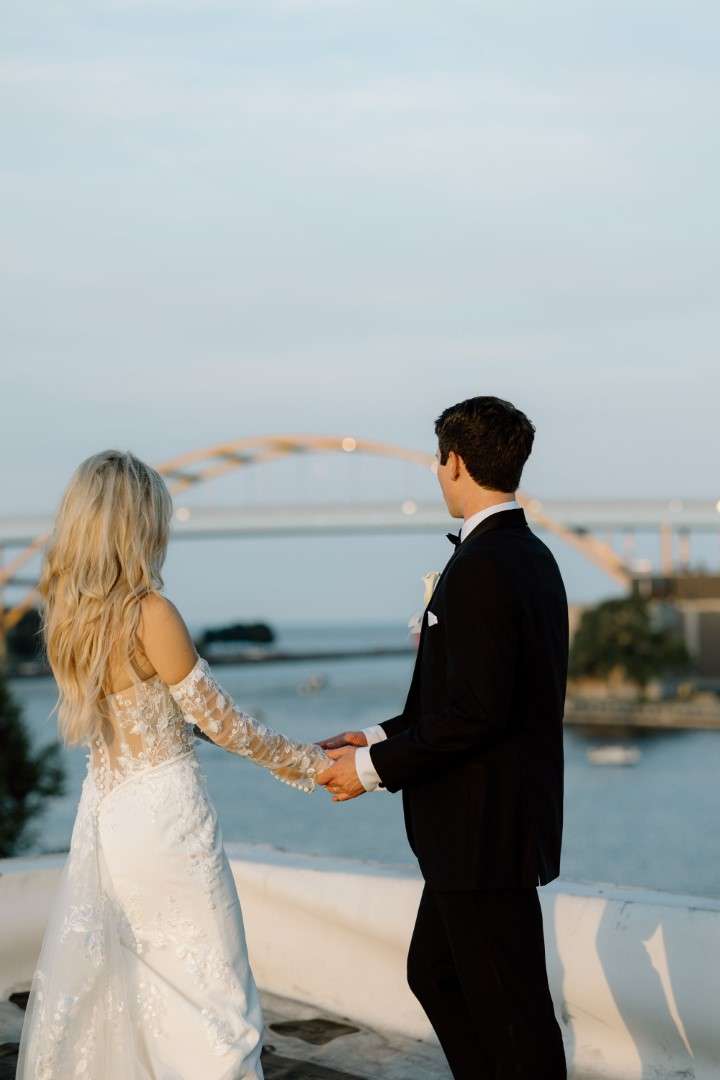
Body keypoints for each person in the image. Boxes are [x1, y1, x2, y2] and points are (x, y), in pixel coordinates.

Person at [17, 450, 332, 1080]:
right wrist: (311, 764)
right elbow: (222, 723)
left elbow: (165, 715)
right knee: (216, 995)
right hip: (167, 822)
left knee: (134, 987)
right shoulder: (149, 612)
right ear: (137, 524)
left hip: (108, 818)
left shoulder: (69, 621)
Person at [317, 395, 569, 1079]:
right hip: (485, 829)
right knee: (438, 976)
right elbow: (468, 699)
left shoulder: (486, 564)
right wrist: (368, 737)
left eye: (438, 460)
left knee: (514, 1013)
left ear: (454, 461)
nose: (436, 473)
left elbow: (475, 715)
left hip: (483, 829)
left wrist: (369, 771)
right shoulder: (528, 555)